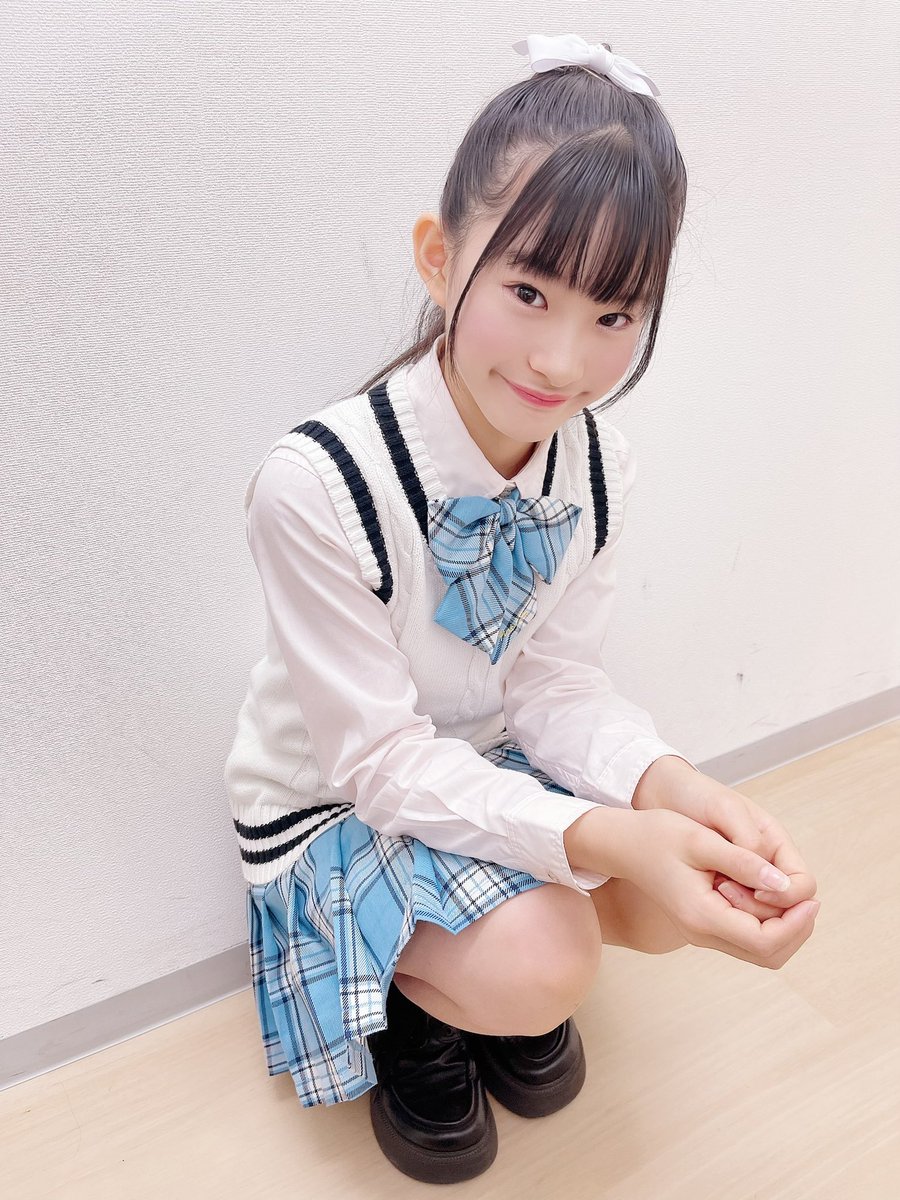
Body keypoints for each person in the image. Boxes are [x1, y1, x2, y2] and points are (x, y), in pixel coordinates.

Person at [223, 31, 820, 1184]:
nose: (560, 359)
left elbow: (554, 688)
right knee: (551, 955)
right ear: (440, 259)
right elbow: (380, 762)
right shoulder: (314, 484)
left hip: (484, 757)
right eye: (529, 291)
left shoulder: (596, 465)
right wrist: (606, 838)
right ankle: (417, 1007)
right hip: (337, 797)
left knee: (680, 880)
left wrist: (682, 794)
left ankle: (493, 967)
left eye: (613, 316)